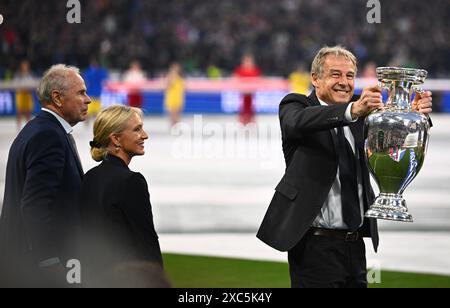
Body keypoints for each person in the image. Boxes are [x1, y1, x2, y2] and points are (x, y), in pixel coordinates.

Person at [257, 46, 433, 288]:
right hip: (314, 249)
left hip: (355, 246)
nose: (344, 82)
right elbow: (295, 124)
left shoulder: (364, 114)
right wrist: (352, 110)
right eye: (335, 74)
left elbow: (394, 151)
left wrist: (413, 117)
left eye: (350, 76)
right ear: (315, 78)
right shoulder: (296, 105)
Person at [0, 64, 91, 287]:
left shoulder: (37, 129)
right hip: (38, 267)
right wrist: (49, 261)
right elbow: (34, 204)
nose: (88, 99)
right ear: (58, 98)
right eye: (80, 93)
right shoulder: (48, 136)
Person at [79, 105, 165, 288]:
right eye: (137, 129)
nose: (145, 135)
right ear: (116, 139)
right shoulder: (131, 182)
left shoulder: (89, 178)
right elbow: (146, 244)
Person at [233, 54, 262, 125]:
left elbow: (259, 80)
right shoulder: (240, 70)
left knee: (251, 104)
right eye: (246, 61)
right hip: (243, 91)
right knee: (243, 104)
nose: (248, 63)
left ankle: (251, 118)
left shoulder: (255, 70)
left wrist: (254, 88)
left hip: (251, 91)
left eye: (249, 61)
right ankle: (242, 118)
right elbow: (235, 79)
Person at [82, 57, 109, 124]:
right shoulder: (89, 72)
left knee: (96, 113)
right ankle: (88, 125)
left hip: (97, 95)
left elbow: (105, 81)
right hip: (91, 95)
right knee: (89, 112)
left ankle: (93, 125)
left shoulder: (100, 71)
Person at [14, 60, 35, 130]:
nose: (25, 67)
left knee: (28, 113)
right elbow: (15, 85)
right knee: (19, 112)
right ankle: (18, 128)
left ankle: (28, 128)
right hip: (20, 95)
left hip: (28, 95)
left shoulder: (30, 75)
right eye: (24, 66)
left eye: (26, 66)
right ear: (21, 67)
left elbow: (32, 85)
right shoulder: (18, 75)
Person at [164, 63, 185, 127]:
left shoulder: (181, 77)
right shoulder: (169, 77)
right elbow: (167, 87)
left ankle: (176, 124)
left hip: (178, 96)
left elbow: (184, 87)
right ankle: (173, 125)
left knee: (178, 112)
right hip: (171, 97)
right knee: (172, 113)